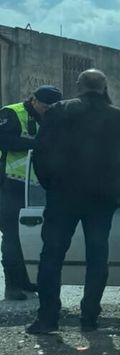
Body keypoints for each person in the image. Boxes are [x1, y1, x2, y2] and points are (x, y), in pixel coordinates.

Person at [26, 69, 120, 334]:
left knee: (52, 256)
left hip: (63, 195)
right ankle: (89, 318)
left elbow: (40, 152)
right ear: (104, 87)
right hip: (102, 198)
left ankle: (47, 319)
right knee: (97, 257)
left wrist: (50, 184)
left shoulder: (58, 111)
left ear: (79, 86)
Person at [0, 85, 64, 301]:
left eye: (51, 108)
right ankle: (12, 285)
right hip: (9, 184)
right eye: (45, 107)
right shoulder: (12, 113)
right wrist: (37, 144)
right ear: (34, 100)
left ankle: (25, 280)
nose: (47, 111)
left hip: (36, 186)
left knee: (31, 235)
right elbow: (4, 140)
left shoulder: (54, 117)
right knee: (12, 235)